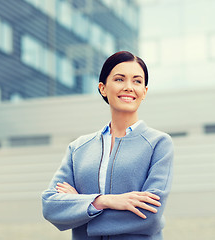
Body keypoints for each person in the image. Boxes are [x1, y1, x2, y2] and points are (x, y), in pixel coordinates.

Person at [42, 51, 174, 240]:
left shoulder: (158, 144)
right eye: (120, 79)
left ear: (144, 92)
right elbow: (50, 206)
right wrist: (104, 201)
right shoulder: (78, 148)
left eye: (137, 81)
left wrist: (80, 207)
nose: (129, 87)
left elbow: (150, 216)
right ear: (103, 88)